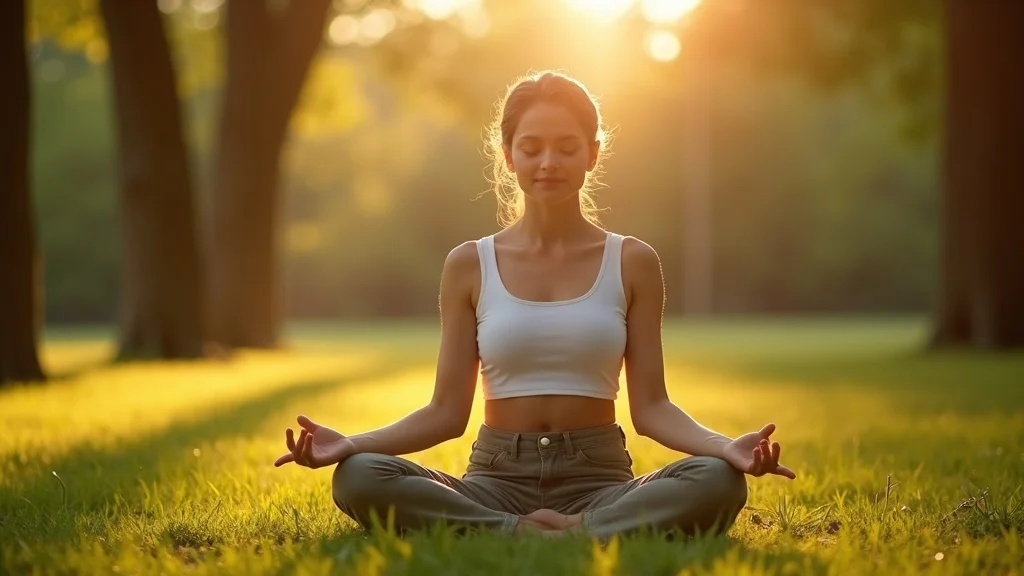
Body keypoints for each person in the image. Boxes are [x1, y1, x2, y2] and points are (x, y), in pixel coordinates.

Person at [273, 70, 796, 538]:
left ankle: (572, 526)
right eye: (532, 147)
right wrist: (351, 444)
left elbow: (653, 408)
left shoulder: (633, 261)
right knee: (361, 476)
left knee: (717, 482)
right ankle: (523, 529)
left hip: (600, 478)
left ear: (593, 154)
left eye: (568, 147)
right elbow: (445, 413)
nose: (549, 162)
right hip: (496, 479)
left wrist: (725, 447)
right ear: (508, 156)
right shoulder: (468, 264)